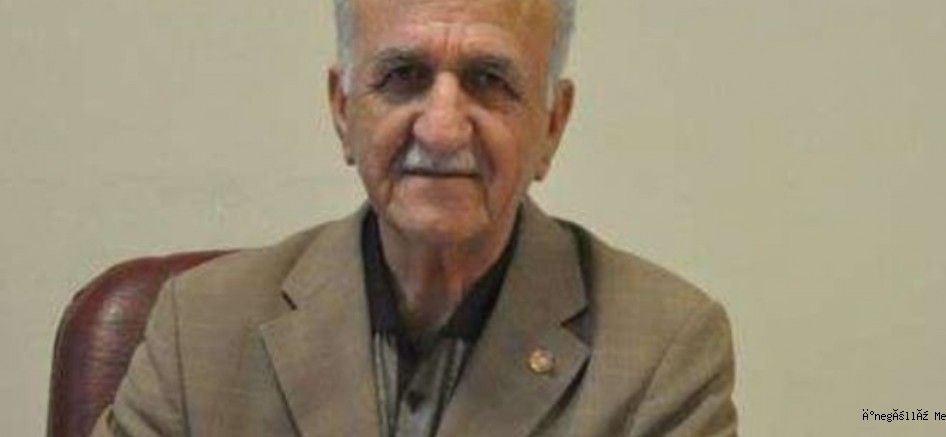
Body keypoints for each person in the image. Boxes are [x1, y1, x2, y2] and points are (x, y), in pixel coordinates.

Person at [90, 0, 737, 435]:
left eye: (489, 80)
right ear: (342, 108)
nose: (443, 127)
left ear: (552, 124)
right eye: (403, 74)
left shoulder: (662, 352)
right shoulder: (198, 330)